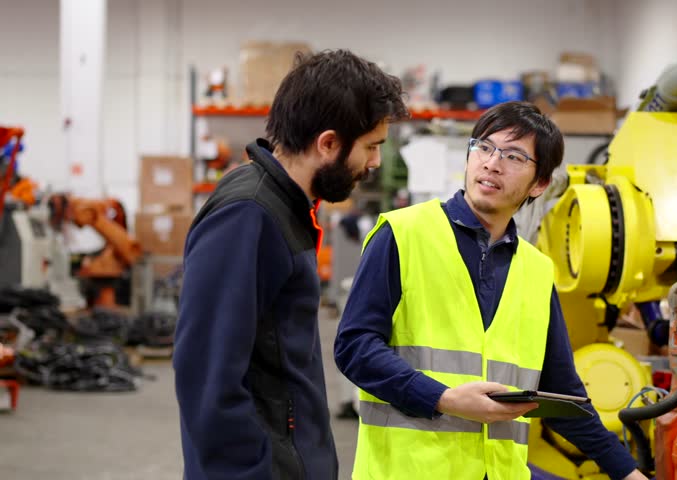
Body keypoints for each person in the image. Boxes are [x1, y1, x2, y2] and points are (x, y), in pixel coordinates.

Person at [334, 101, 648, 480]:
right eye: (484, 147)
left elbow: (562, 392)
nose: (492, 163)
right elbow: (355, 347)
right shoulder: (403, 234)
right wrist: (443, 399)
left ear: (540, 183)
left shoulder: (536, 269)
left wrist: (628, 473)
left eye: (514, 156)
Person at [174, 49, 407, 480]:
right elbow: (206, 377)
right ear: (328, 144)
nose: (375, 162)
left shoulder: (284, 206)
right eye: (371, 147)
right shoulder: (248, 215)